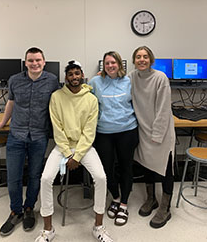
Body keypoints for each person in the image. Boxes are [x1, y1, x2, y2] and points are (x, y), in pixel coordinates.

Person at [35, 60, 113, 242]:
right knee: (45, 179)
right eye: (70, 74)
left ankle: (99, 227)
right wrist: (68, 154)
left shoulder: (91, 99)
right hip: (62, 147)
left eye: (77, 73)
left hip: (84, 147)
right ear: (66, 77)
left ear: (82, 75)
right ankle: (48, 230)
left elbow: (89, 131)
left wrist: (77, 156)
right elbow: (57, 128)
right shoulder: (56, 97)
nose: (74, 77)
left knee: (101, 178)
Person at [0, 47, 59, 236]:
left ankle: (29, 209)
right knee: (14, 177)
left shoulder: (51, 81)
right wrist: (3, 122)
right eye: (30, 60)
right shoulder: (15, 80)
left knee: (35, 176)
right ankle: (15, 211)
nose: (34, 64)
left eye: (38, 60)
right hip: (17, 134)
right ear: (25, 63)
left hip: (39, 136)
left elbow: (59, 104)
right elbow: (11, 102)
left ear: (44, 61)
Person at [89, 51, 138, 226]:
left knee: (126, 167)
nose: (110, 66)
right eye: (107, 63)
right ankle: (115, 198)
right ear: (103, 65)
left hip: (127, 130)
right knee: (106, 170)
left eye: (113, 62)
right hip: (104, 132)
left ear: (119, 64)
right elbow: (86, 102)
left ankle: (124, 204)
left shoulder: (130, 81)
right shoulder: (95, 82)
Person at [130, 46, 175, 229]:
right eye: (138, 57)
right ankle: (151, 199)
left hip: (161, 132)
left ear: (151, 59)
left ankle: (165, 207)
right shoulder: (132, 77)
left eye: (145, 56)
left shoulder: (160, 78)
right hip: (143, 130)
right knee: (147, 165)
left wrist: (157, 134)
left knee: (165, 168)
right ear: (134, 60)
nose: (142, 59)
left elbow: (164, 109)